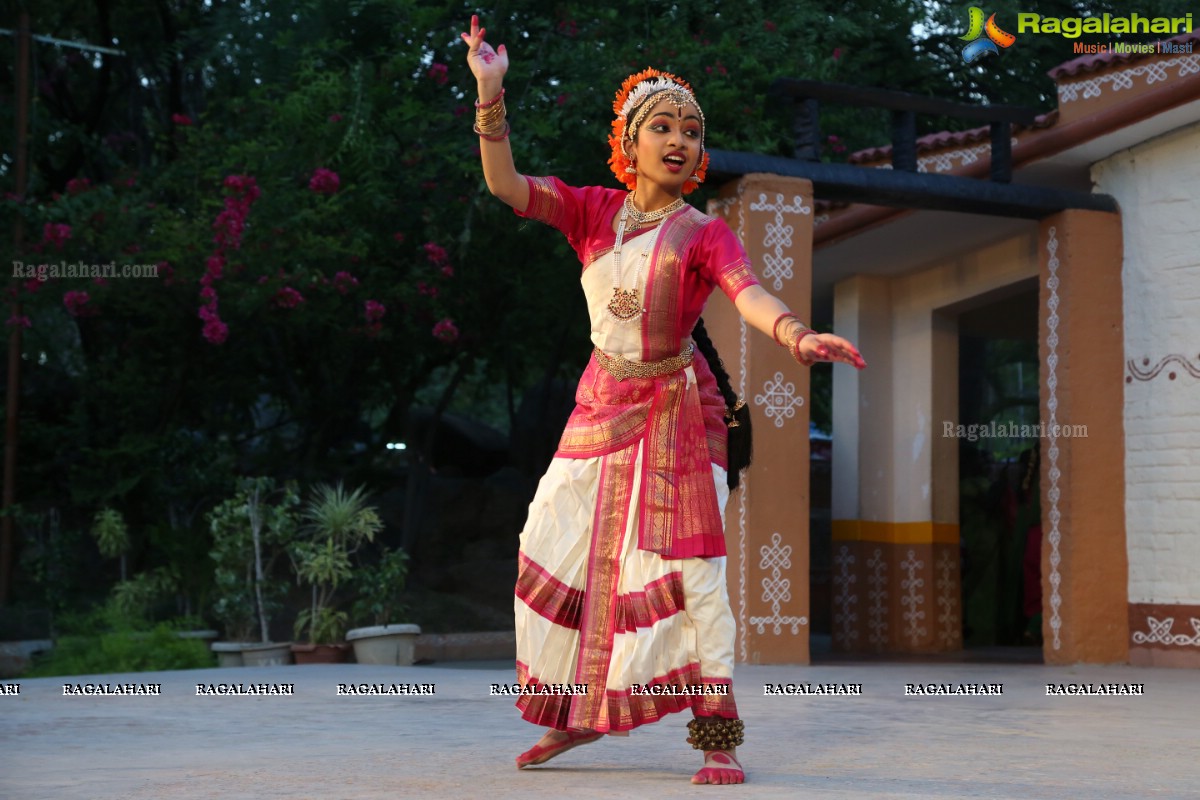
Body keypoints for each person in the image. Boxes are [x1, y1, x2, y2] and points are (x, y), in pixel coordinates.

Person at [461, 14, 865, 786]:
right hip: (599, 405)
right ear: (630, 142)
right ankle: (573, 716)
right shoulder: (590, 213)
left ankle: (717, 735)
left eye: (690, 129)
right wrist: (489, 91)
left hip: (682, 413)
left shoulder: (704, 233)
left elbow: (747, 295)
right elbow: (504, 184)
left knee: (694, 576)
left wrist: (797, 336)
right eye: (662, 126)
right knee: (549, 541)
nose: (678, 140)